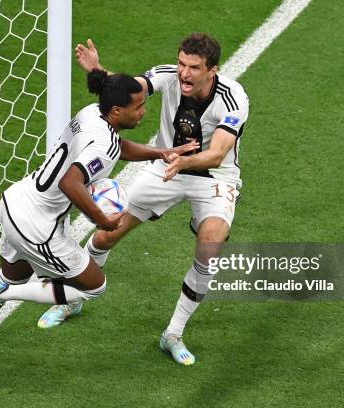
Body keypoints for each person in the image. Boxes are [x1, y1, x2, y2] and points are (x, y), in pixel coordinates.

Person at [0, 69, 198, 363]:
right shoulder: (105, 145)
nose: (143, 111)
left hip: (14, 202)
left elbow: (117, 146)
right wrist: (101, 218)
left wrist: (159, 152)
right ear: (116, 110)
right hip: (37, 225)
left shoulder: (92, 113)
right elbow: (71, 182)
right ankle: (2, 296)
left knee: (12, 275)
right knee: (92, 286)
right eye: (138, 106)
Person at [39, 33, 249, 366]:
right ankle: (73, 298)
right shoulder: (168, 75)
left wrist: (184, 160)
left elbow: (218, 153)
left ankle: (173, 334)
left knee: (211, 243)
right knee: (106, 232)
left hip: (213, 177)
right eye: (182, 63)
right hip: (164, 166)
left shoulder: (233, 97)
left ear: (213, 70)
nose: (184, 73)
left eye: (194, 67)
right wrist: (98, 71)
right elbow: (127, 90)